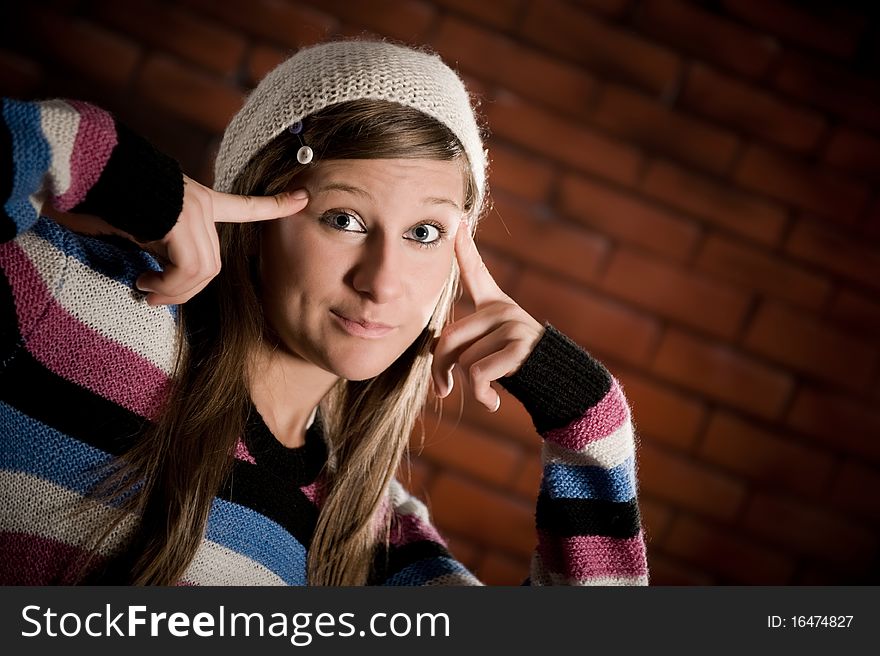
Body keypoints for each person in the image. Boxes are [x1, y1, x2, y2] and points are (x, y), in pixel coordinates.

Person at [0, 39, 649, 586]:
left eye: (425, 233)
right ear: (253, 217)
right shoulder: (67, 300)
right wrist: (109, 168)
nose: (382, 282)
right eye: (344, 220)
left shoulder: (372, 541)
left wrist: (586, 416)